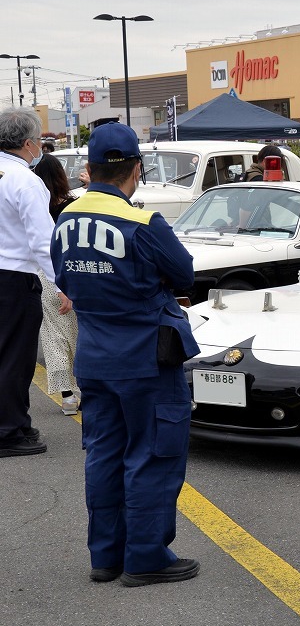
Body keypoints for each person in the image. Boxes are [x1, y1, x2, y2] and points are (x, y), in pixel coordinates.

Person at [51, 122, 201, 587]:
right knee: (153, 454)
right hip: (146, 359)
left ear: (88, 170)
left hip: (95, 358)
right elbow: (184, 274)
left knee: (103, 455)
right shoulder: (142, 222)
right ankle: (146, 557)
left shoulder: (65, 221)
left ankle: (106, 556)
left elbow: (65, 280)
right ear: (136, 168)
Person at [0, 107, 68, 457]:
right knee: (16, 356)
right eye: (39, 141)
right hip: (14, 277)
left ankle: (15, 423)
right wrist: (63, 284)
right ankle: (9, 431)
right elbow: (44, 242)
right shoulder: (25, 180)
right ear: (28, 143)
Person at [32, 155, 81, 414]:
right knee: (77, 335)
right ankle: (83, 388)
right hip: (71, 275)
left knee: (53, 338)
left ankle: (67, 397)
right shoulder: (73, 206)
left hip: (44, 276)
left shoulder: (36, 207)